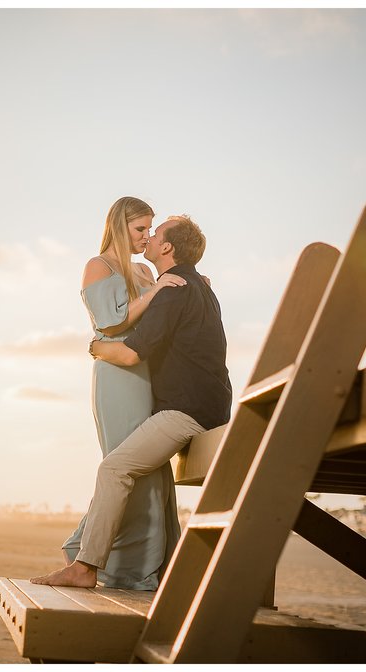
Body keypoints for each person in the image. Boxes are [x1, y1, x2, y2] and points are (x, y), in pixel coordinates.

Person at [32, 215, 232, 588]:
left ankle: (84, 567)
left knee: (114, 470)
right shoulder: (197, 287)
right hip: (212, 408)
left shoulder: (175, 289)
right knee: (136, 473)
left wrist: (96, 347)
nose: (150, 237)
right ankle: (135, 561)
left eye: (155, 233)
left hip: (187, 411)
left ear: (167, 247)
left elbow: (129, 355)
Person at [63, 196, 187, 590]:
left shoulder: (143, 270)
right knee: (125, 466)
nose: (146, 236)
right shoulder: (97, 266)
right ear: (119, 225)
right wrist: (154, 292)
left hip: (146, 376)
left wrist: (189, 288)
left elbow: (163, 316)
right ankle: (123, 568)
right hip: (117, 375)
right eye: (140, 229)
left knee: (148, 470)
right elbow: (112, 324)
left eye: (150, 229)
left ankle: (146, 564)